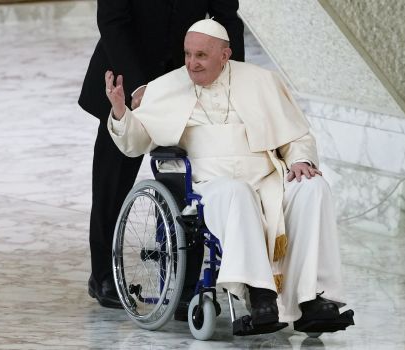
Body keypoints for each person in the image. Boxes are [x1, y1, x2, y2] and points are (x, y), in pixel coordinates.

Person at [104, 18, 354, 333]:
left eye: (201, 56)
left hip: (268, 178)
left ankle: (314, 298)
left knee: (313, 186)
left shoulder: (261, 82)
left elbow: (296, 136)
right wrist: (120, 113)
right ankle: (259, 295)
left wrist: (301, 160)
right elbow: (136, 142)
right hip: (209, 187)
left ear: (225, 55)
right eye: (187, 54)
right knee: (238, 193)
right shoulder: (165, 88)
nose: (192, 64)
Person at [79, 1, 245, 310]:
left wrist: (237, 82)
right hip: (126, 79)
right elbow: (113, 21)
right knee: (111, 185)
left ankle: (183, 283)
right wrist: (140, 86)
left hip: (186, 82)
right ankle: (103, 275)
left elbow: (226, 18)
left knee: (185, 183)